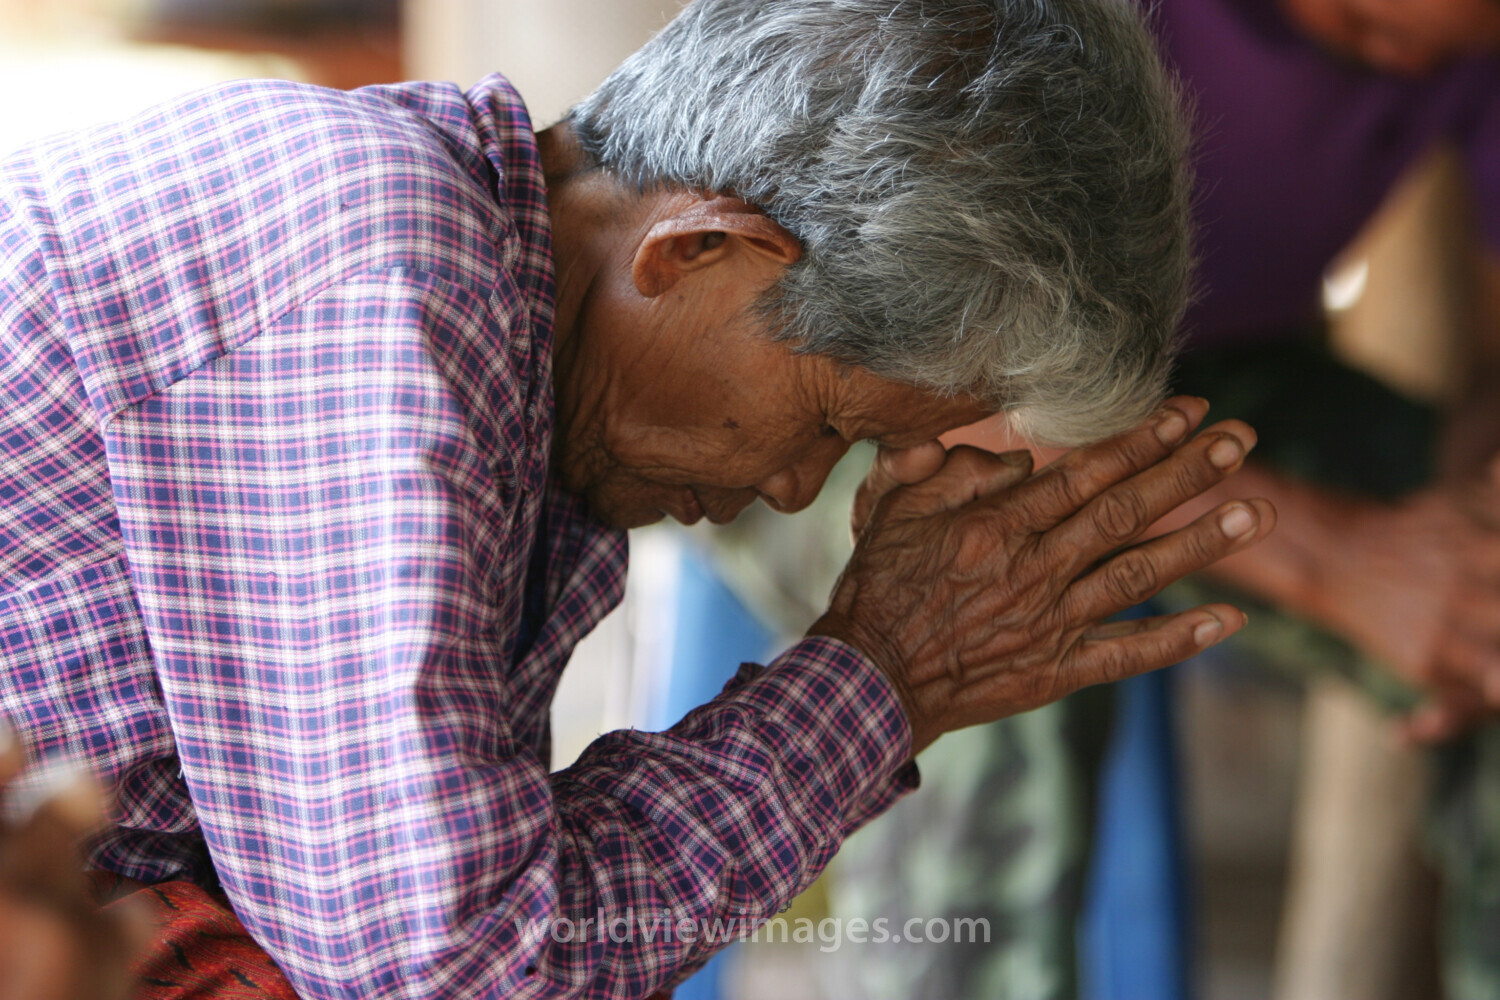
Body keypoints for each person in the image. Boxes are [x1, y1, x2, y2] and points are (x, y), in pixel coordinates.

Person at [0, 1, 1275, 997]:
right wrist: (883, 675)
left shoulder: (520, 378)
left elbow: (482, 926)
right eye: (829, 424)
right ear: (696, 250)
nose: (789, 486)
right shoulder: (378, 264)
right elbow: (453, 966)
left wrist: (883, 684)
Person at [830, 0, 1500, 996]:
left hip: (1200, 373)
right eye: (1365, 30)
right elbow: (931, 388)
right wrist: (1336, 559)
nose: (1393, 65)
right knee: (1000, 601)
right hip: (862, 398)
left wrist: (1464, 556)